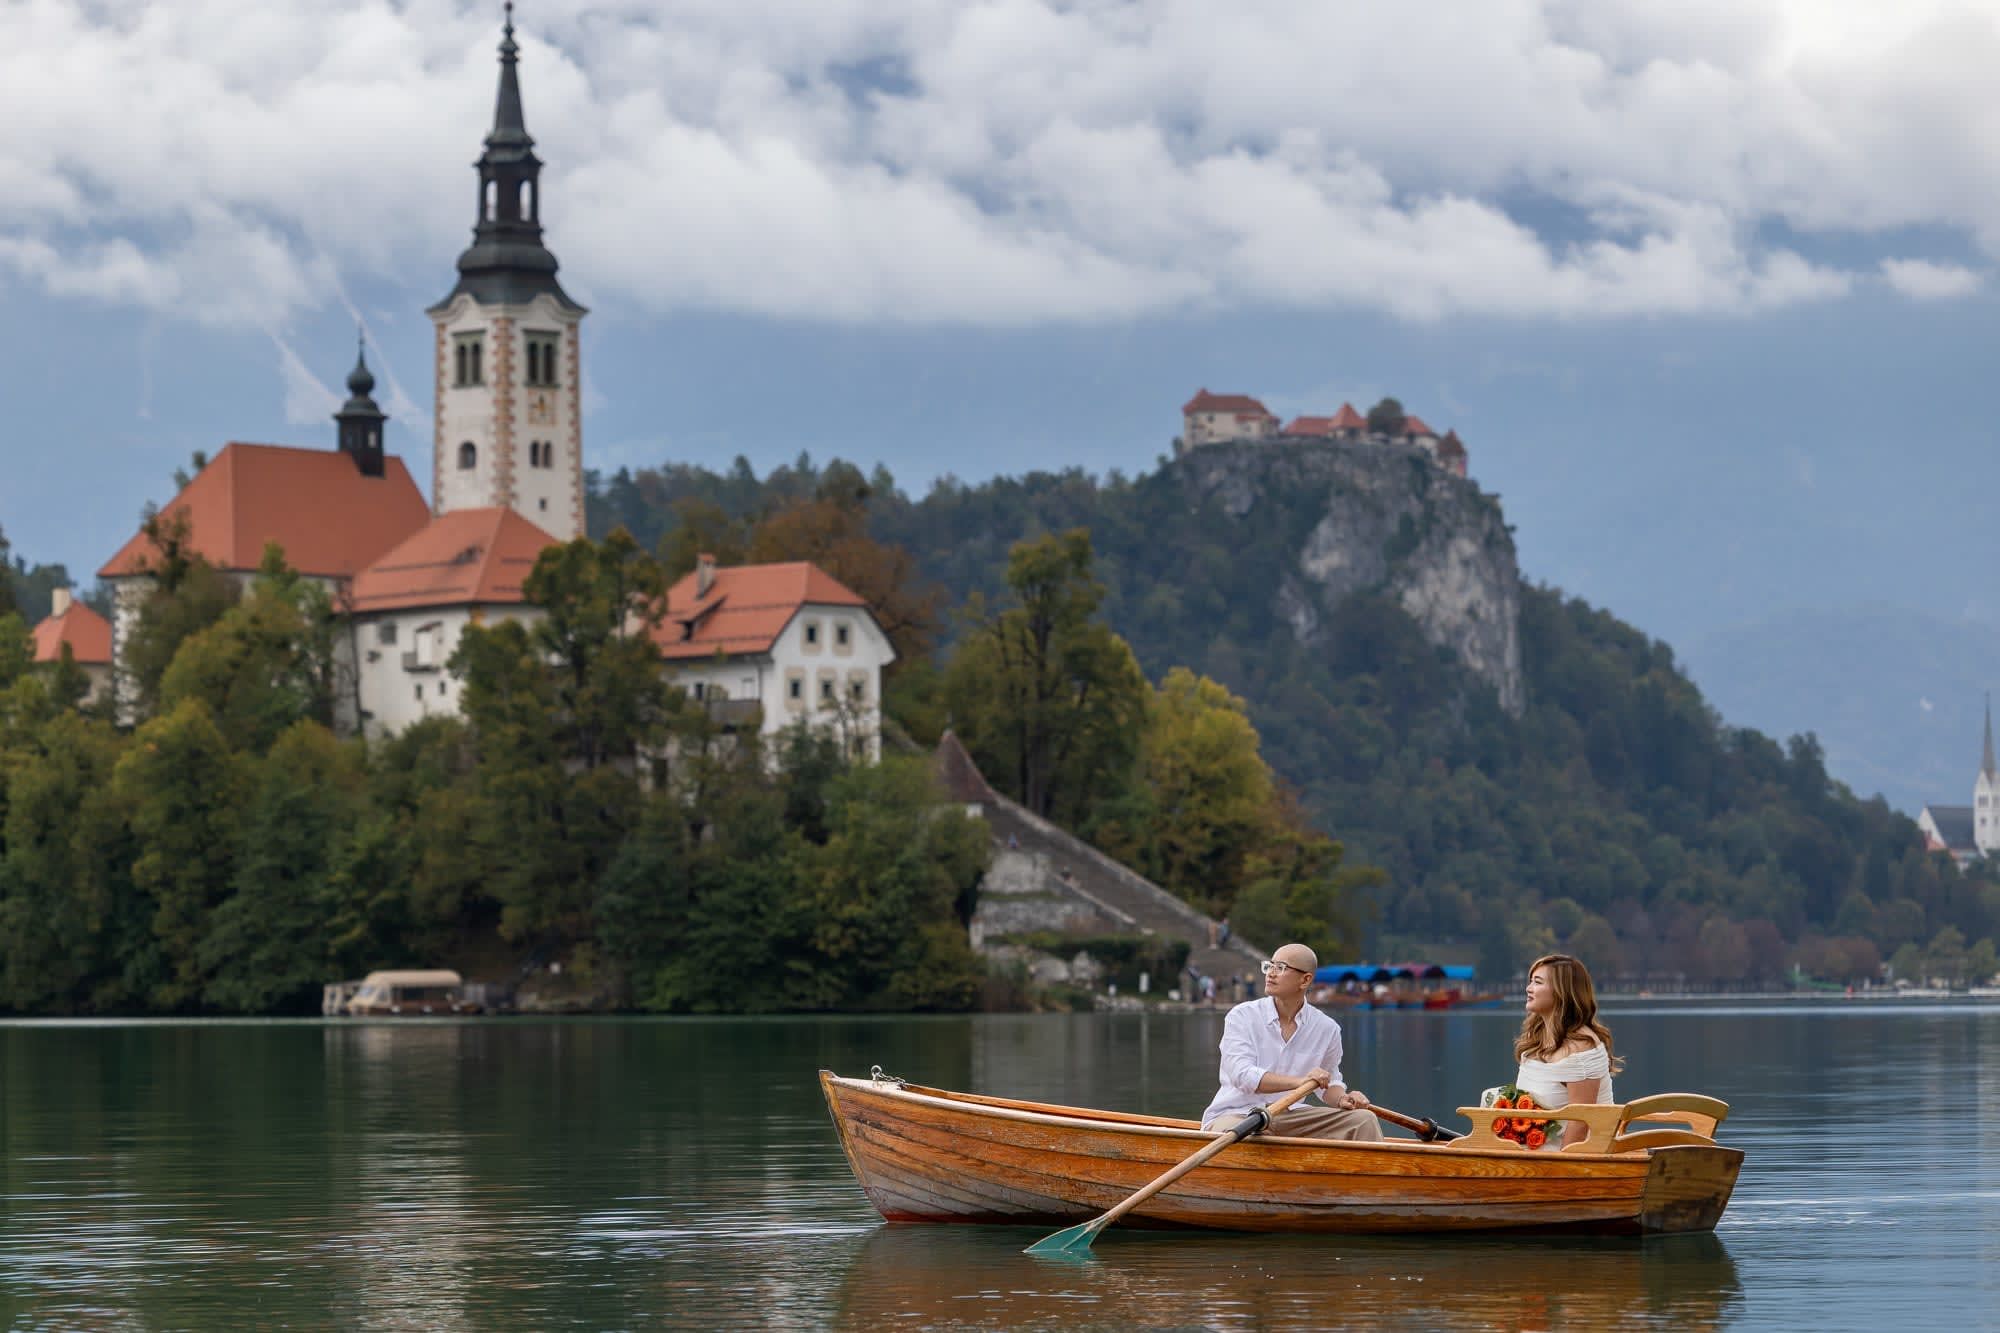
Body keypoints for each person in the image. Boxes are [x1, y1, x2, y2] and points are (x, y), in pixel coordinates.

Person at [1201, 942, 1383, 1141]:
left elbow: (1329, 1082)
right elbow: (1242, 1075)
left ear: (1305, 980)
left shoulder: (1326, 1028)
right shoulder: (1242, 1016)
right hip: (1237, 1114)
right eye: (1269, 966)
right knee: (1248, 1138)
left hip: (1291, 1115)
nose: (1270, 973)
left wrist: (1342, 1098)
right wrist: (1300, 1082)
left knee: (1363, 1120)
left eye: (1280, 968)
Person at [1511, 953, 1624, 1149]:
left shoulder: (1581, 1049)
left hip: (1573, 1158)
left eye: (1537, 982)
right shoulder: (1537, 1039)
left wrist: (1560, 1170)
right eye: (1530, 982)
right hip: (1533, 1155)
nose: (1529, 989)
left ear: (1561, 992)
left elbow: (1581, 1123)